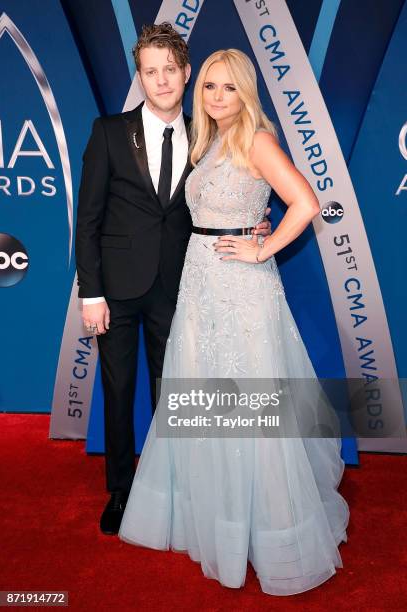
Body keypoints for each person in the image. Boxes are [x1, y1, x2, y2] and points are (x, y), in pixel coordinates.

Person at [118, 49, 350, 596]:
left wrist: (262, 246)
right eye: (209, 88)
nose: (217, 98)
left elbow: (306, 202)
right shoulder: (209, 142)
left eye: (228, 89)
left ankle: (269, 534)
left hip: (242, 293)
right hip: (198, 287)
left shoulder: (258, 141)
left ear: (246, 92)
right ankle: (215, 524)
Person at [75, 25, 271, 536]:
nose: (161, 80)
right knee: (119, 392)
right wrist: (90, 292)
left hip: (181, 286)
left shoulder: (206, 134)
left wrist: (256, 226)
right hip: (115, 290)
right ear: (140, 77)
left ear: (186, 73)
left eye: (170, 70)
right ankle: (120, 490)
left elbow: (225, 196)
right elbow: (88, 219)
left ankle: (179, 490)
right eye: (150, 71)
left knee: (177, 394)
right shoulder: (109, 132)